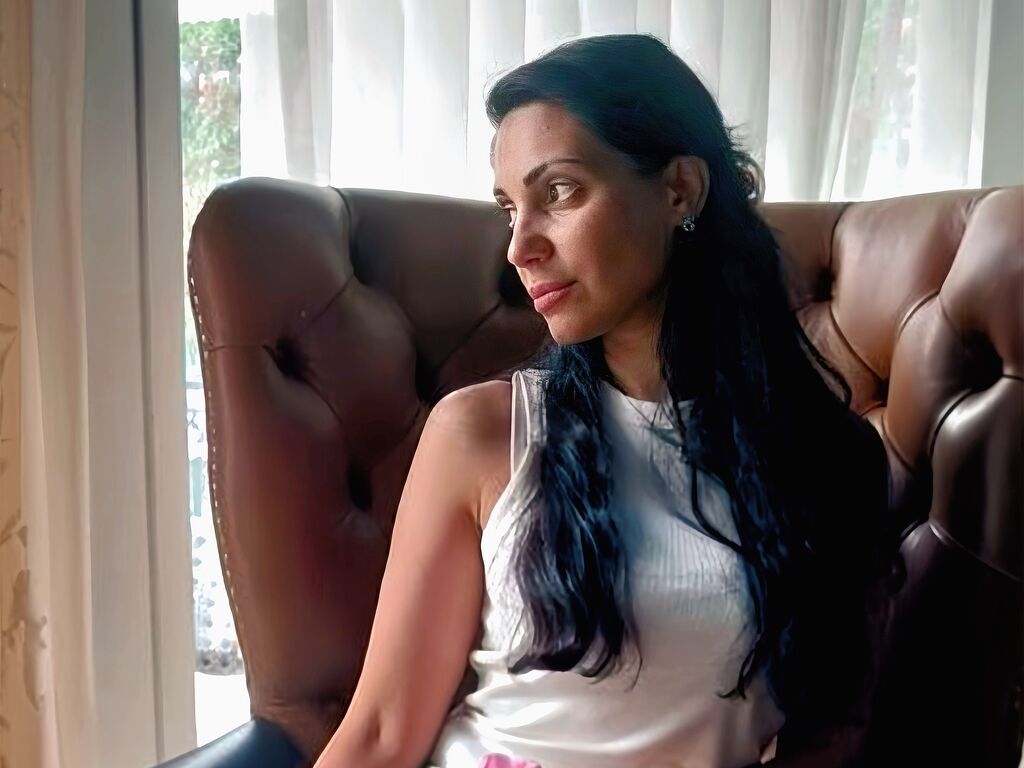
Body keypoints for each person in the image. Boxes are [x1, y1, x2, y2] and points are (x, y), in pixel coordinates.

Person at [312, 34, 903, 768]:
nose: (519, 247)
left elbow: (831, 729)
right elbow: (380, 733)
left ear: (679, 189)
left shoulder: (831, 460)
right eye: (509, 208)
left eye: (558, 192)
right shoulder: (484, 433)